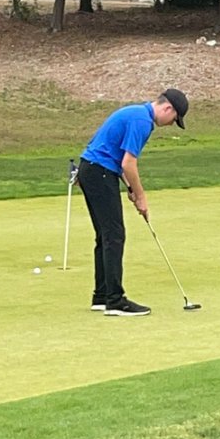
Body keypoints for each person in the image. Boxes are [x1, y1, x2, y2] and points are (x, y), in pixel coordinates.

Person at [77, 88, 189, 316]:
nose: (171, 124)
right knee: (114, 235)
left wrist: (131, 189)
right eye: (174, 119)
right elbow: (128, 163)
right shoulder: (142, 121)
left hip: (91, 170)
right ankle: (115, 300)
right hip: (100, 172)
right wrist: (141, 196)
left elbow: (117, 157)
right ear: (168, 108)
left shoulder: (136, 113)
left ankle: (102, 296)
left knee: (105, 235)